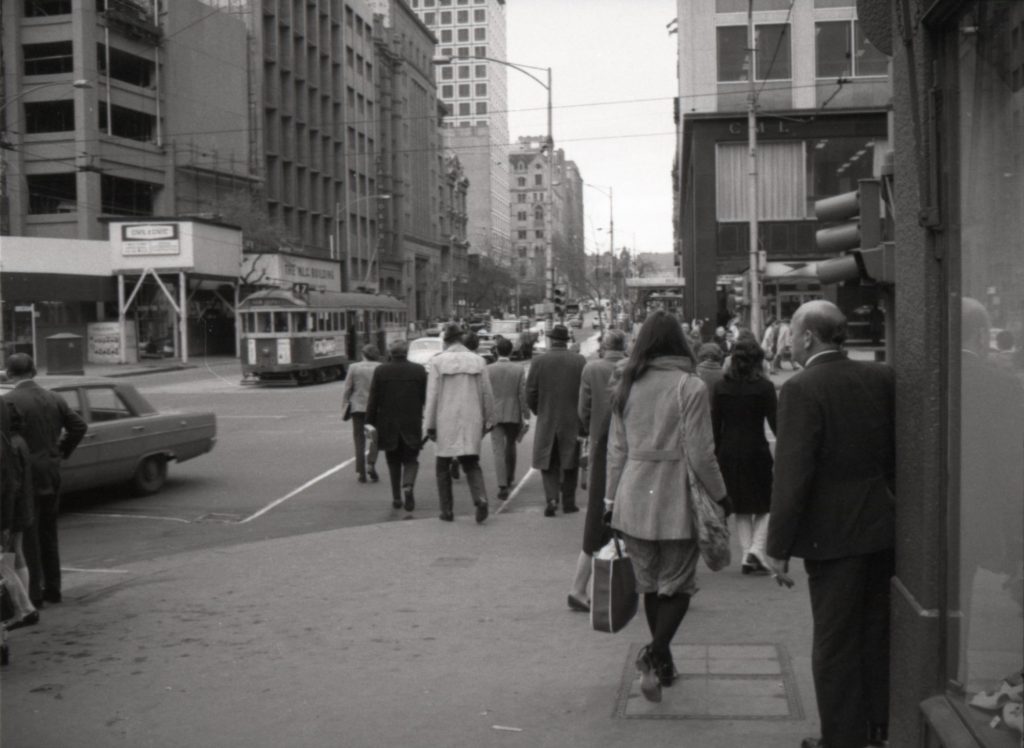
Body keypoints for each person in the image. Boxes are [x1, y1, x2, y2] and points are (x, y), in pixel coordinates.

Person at [765, 300, 895, 748]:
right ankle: (879, 727)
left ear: (807, 337)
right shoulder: (881, 376)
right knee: (877, 633)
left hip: (832, 538)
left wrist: (777, 547)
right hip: (881, 528)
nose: (789, 342)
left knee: (835, 644)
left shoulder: (801, 388)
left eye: (792, 334)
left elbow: (792, 472)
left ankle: (841, 739)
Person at [605, 311, 729, 703]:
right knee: (678, 584)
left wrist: (610, 499)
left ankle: (663, 663)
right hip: (676, 494)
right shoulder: (689, 387)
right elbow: (701, 452)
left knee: (650, 583)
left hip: (633, 494)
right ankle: (655, 653)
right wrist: (722, 496)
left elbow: (616, 450)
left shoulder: (627, 384)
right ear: (680, 343)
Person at [2, 354, 87, 607]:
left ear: (8, 373)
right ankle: (54, 588)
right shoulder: (54, 397)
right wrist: (60, 450)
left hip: (25, 474)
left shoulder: (8, 402)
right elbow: (79, 426)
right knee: (48, 532)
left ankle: (35, 595)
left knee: (28, 534)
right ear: (34, 371)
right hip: (51, 471)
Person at [567, 329, 627, 613]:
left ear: (604, 347)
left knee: (597, 521)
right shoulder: (631, 369)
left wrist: (589, 430)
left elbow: (583, 409)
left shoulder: (592, 369)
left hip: (600, 445)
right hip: (624, 452)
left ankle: (580, 588)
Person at [711, 336, 777, 574]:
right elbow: (776, 423)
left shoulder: (721, 387)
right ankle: (756, 550)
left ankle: (747, 553)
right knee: (765, 504)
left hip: (728, 452)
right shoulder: (765, 388)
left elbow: (715, 425)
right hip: (756, 451)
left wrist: (716, 456)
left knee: (740, 505)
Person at [424, 324, 495, 523]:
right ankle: (480, 498)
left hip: (445, 418)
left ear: (446, 341)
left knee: (442, 466)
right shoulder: (478, 361)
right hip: (471, 418)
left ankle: (447, 510)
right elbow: (487, 393)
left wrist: (429, 425)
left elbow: (433, 396)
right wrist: (489, 419)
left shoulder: (438, 362)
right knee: (471, 463)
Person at [526, 324, 586, 517]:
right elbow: (584, 392)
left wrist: (539, 410)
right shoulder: (579, 361)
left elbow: (530, 393)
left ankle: (551, 498)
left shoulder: (539, 362)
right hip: (572, 419)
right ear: (566, 341)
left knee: (548, 461)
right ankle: (569, 502)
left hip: (548, 418)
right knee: (570, 461)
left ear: (551, 340)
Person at [365, 339, 427, 512]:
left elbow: (373, 400)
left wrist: (369, 423)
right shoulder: (419, 370)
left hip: (387, 424)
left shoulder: (381, 371)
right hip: (411, 423)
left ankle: (396, 498)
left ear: (390, 353)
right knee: (411, 460)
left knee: (392, 462)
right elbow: (425, 399)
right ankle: (408, 486)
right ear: (406, 352)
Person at [1, 401, 38, 629]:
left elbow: (9, 484)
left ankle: (22, 608)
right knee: (15, 556)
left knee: (6, 563)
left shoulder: (9, 445)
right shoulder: (18, 441)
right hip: (21, 507)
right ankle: (25, 607)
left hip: (10, 511)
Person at [485, 338, 529, 502]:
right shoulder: (518, 369)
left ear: (496, 351)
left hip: (495, 413)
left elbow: (485, 394)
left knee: (498, 449)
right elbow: (522, 394)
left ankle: (502, 484)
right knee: (510, 445)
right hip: (513, 412)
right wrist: (526, 414)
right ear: (510, 351)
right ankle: (510, 477)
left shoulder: (488, 369)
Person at [341, 345, 382, 483]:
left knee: (359, 439)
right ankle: (371, 462)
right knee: (375, 438)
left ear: (363, 354)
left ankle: (361, 472)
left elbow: (347, 388)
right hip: (376, 408)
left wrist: (345, 405)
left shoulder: (354, 367)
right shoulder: (381, 367)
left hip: (358, 407)